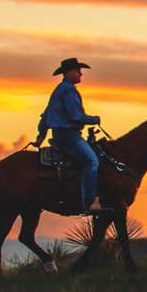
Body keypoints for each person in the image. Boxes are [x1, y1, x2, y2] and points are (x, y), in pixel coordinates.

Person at [37, 57, 104, 212]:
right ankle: (89, 203)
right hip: (69, 136)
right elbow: (76, 116)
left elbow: (46, 115)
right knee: (92, 161)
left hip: (59, 134)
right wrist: (94, 119)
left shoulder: (58, 91)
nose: (81, 74)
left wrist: (41, 136)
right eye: (78, 71)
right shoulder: (69, 91)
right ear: (70, 73)